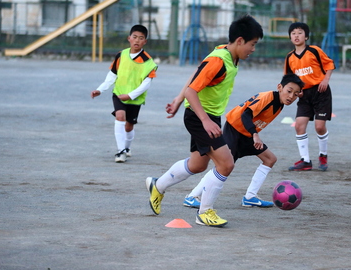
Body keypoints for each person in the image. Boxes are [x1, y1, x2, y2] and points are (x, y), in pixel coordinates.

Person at [146, 15, 263, 227]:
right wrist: (203, 118)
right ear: (239, 41)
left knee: (198, 164)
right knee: (226, 164)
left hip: (208, 115)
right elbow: (193, 90)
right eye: (252, 44)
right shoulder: (219, 60)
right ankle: (205, 212)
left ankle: (158, 185)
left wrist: (178, 99)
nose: (253, 49)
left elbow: (196, 74)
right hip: (200, 117)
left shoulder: (227, 55)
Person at [183, 73, 305, 209]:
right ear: (279, 87)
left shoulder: (280, 102)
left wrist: (298, 91)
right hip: (235, 129)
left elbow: (295, 93)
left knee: (270, 159)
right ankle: (192, 196)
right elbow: (245, 114)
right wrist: (255, 134)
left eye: (295, 94)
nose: (291, 96)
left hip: (247, 134)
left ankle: (250, 197)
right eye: (289, 91)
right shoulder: (268, 97)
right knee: (223, 166)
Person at [91, 24, 157, 163]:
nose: (137, 41)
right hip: (119, 93)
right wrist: (100, 89)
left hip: (135, 98)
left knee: (129, 125)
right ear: (129, 38)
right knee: (120, 116)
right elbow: (112, 74)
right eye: (134, 37)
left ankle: (127, 148)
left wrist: (131, 95)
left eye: (141, 38)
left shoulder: (149, 62)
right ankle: (120, 151)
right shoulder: (121, 55)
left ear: (145, 41)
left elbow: (147, 84)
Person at [284, 22, 335, 171]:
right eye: (293, 33)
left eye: (299, 33)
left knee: (319, 127)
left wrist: (325, 80)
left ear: (306, 36)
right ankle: (305, 161)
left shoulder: (314, 51)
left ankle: (323, 156)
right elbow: (289, 78)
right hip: (304, 95)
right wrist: (294, 92)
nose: (296, 36)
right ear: (290, 37)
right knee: (299, 125)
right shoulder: (289, 58)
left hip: (321, 92)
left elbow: (329, 64)